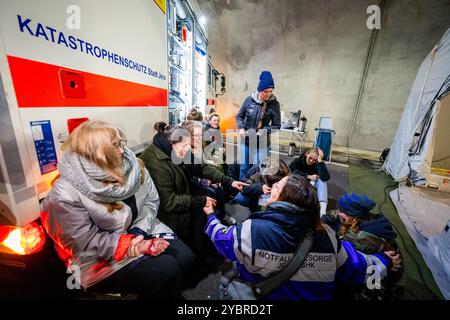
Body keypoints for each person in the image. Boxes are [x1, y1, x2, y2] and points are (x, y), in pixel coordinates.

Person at [40, 121, 194, 299]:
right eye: (115, 145)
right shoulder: (63, 193)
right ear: (94, 151)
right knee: (167, 270)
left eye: (121, 143)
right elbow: (84, 244)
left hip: (141, 230)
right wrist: (132, 245)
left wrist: (139, 230)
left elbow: (152, 201)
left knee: (185, 258)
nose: (122, 151)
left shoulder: (135, 167)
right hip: (100, 257)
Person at [203, 174, 402, 300]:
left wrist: (211, 216)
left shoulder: (252, 230)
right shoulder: (329, 236)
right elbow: (357, 266)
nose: (272, 190)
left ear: (281, 199)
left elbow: (221, 238)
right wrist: (385, 260)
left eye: (277, 188)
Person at [140, 124, 246, 269]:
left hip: (183, 194)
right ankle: (199, 255)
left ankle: (202, 251)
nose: (189, 148)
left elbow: (201, 167)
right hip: (165, 213)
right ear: (172, 143)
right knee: (203, 209)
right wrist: (201, 200)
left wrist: (228, 181)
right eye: (185, 145)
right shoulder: (156, 162)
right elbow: (169, 202)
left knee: (208, 203)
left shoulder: (177, 149)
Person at [321, 193, 403, 299]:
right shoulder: (363, 218)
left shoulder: (364, 238)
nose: (338, 213)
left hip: (374, 286)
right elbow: (334, 215)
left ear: (354, 216)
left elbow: (339, 249)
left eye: (342, 211)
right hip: (373, 272)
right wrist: (324, 221)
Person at [236, 70, 281, 180]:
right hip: (246, 141)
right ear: (259, 90)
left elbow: (277, 125)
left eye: (271, 91)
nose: (269, 94)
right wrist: (241, 128)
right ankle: (241, 189)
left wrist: (264, 130)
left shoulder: (274, 104)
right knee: (244, 167)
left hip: (262, 143)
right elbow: (239, 116)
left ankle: (254, 191)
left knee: (257, 168)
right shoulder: (249, 100)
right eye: (265, 91)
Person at [289, 147, 330, 216]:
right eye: (310, 158)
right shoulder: (298, 161)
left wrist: (320, 161)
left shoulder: (317, 163)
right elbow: (291, 171)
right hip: (299, 183)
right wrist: (308, 176)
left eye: (314, 160)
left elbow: (325, 178)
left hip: (311, 184)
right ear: (306, 154)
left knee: (322, 182)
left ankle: (322, 212)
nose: (311, 161)